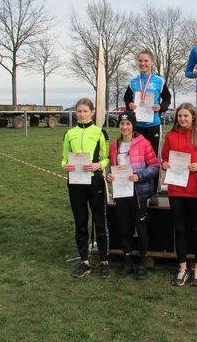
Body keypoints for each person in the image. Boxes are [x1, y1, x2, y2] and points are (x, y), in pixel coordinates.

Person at [161, 103, 197, 287]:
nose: (182, 119)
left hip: (196, 189)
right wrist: (165, 164)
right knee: (180, 229)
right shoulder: (171, 135)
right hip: (176, 189)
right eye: (179, 116)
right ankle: (182, 267)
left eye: (186, 116)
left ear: (193, 117)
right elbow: (164, 158)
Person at [107, 110, 159, 280]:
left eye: (128, 123)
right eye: (122, 124)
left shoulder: (143, 143)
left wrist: (140, 176)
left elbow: (154, 166)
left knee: (141, 228)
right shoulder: (114, 145)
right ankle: (127, 262)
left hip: (139, 193)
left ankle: (142, 264)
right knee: (124, 228)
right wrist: (109, 175)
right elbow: (112, 166)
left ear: (133, 125)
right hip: (122, 192)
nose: (124, 127)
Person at [61, 97, 110, 278]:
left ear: (92, 112)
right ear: (76, 112)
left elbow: (107, 158)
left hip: (94, 181)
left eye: (85, 111)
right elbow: (64, 158)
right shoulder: (69, 133)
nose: (82, 114)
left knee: (100, 221)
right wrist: (65, 165)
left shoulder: (99, 132)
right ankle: (84, 261)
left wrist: (99, 166)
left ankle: (104, 261)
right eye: (79, 111)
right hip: (75, 182)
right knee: (80, 222)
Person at [124, 49, 171, 206]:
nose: (143, 63)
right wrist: (129, 105)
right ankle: (137, 188)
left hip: (153, 124)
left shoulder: (159, 81)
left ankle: (154, 192)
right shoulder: (133, 82)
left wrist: (160, 106)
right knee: (137, 157)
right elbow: (126, 99)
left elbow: (167, 99)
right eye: (140, 61)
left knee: (154, 159)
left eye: (146, 61)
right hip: (137, 125)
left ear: (152, 62)